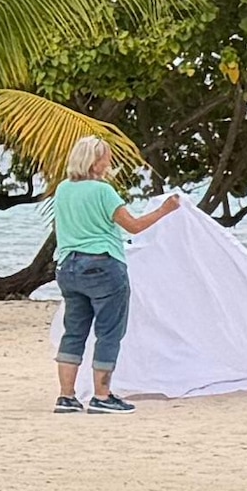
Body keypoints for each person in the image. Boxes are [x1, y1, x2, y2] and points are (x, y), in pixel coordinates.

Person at [49, 136, 183, 414]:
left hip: (68, 267)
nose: (109, 163)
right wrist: (164, 210)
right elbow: (133, 226)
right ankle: (102, 395)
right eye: (106, 158)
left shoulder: (63, 189)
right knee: (109, 332)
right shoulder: (103, 191)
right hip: (102, 266)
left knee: (74, 332)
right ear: (94, 162)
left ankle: (66, 396)